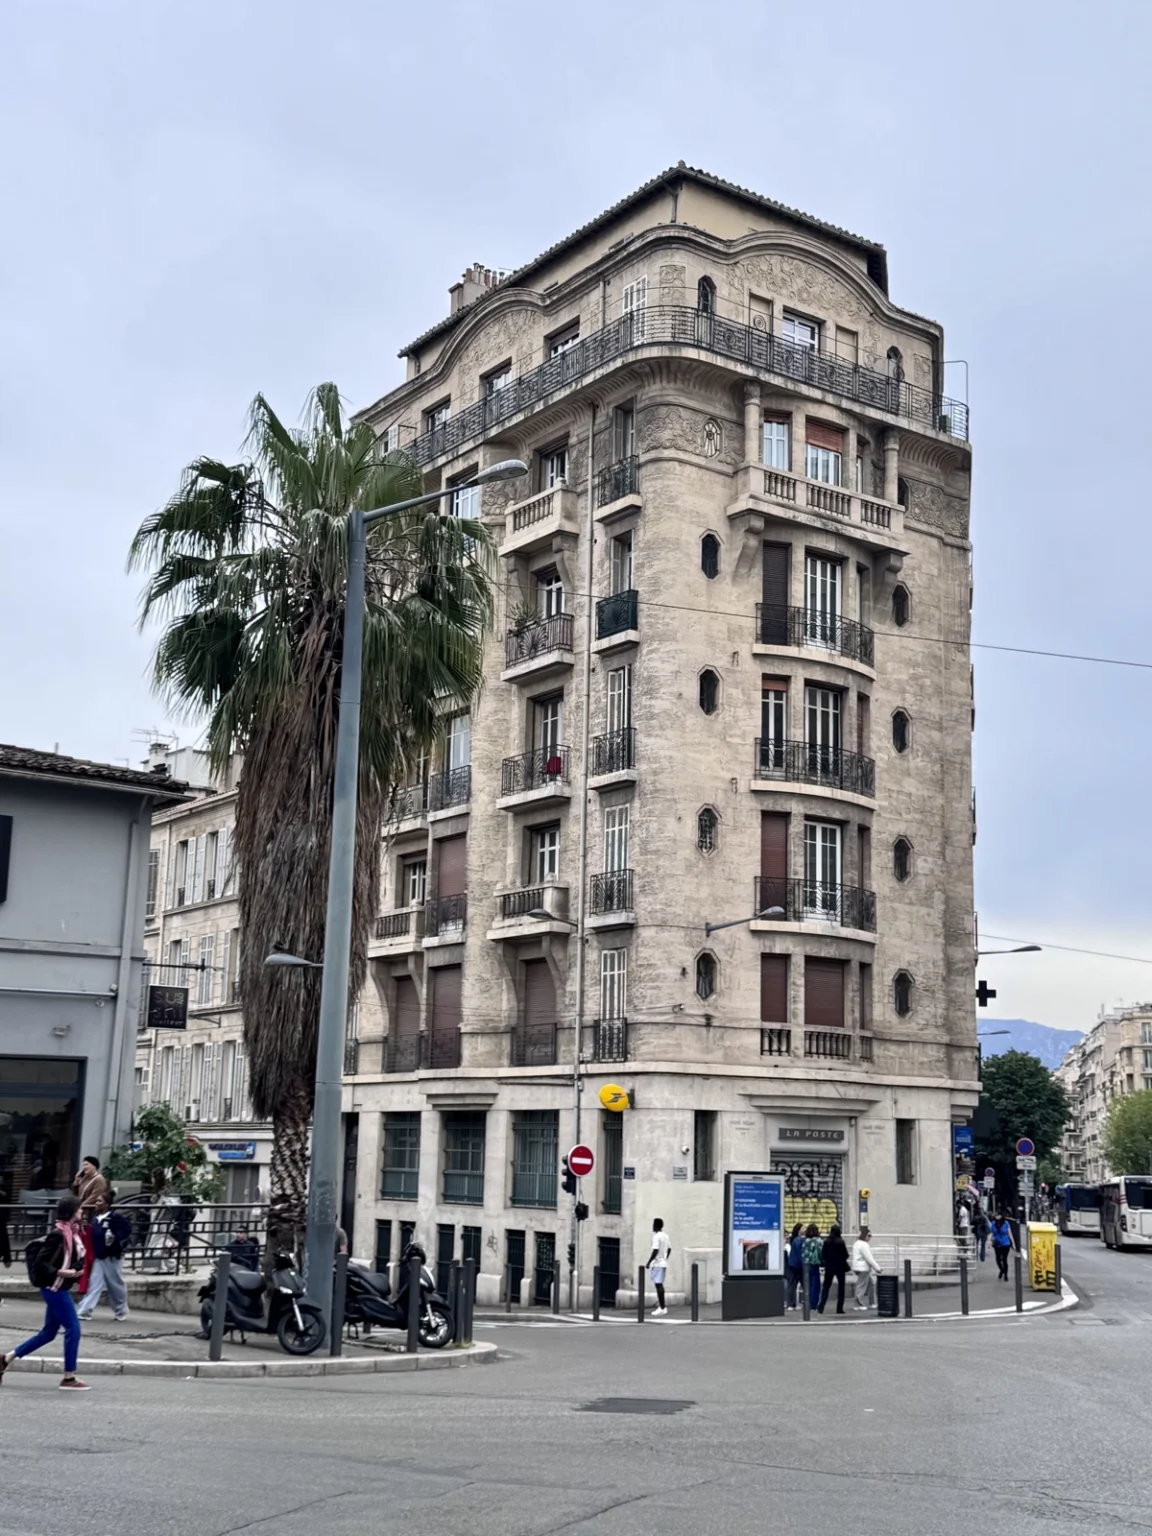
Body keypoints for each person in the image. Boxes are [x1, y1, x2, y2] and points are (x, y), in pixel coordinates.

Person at [0, 1194, 89, 1389]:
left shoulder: (73, 1232)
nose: (82, 1211)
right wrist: (61, 1272)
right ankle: (69, 1377)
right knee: (73, 1329)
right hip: (54, 1288)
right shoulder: (58, 1234)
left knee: (48, 1333)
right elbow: (41, 1263)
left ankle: (6, 1359)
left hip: (59, 1287)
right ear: (72, 1212)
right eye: (79, 1208)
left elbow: (78, 1258)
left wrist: (77, 1269)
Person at [78, 1192, 131, 1323]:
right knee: (94, 1284)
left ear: (107, 1204)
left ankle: (121, 1310)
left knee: (115, 1285)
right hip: (99, 1257)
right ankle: (85, 1310)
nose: (96, 1203)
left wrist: (115, 1238)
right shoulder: (96, 1219)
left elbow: (126, 1231)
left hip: (112, 1257)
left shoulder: (115, 1218)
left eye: (99, 1201)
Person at [817, 1224, 849, 1315]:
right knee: (841, 1287)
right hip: (840, 1266)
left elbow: (823, 1254)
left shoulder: (827, 1241)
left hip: (829, 1266)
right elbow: (846, 1254)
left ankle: (821, 1307)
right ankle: (839, 1308)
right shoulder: (841, 1241)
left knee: (826, 1287)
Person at [851, 1227, 881, 1310]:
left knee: (870, 1284)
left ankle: (872, 1302)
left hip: (858, 1267)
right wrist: (877, 1268)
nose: (870, 1237)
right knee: (862, 1286)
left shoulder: (857, 1243)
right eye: (869, 1235)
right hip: (863, 1268)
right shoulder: (864, 1245)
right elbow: (869, 1258)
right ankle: (859, 1303)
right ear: (865, 1235)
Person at [647, 1218, 671, 1316]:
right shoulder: (666, 1236)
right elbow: (669, 1249)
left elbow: (655, 1250)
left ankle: (662, 1307)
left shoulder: (656, 1237)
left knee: (658, 1285)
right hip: (663, 1262)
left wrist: (649, 1262)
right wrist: (665, 1258)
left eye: (653, 1224)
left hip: (657, 1263)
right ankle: (662, 1306)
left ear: (656, 1225)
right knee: (659, 1284)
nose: (652, 1226)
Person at [801, 1223, 823, 1312]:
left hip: (805, 1264)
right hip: (814, 1264)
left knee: (807, 1285)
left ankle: (807, 1303)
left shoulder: (805, 1241)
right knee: (815, 1285)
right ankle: (813, 1305)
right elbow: (821, 1252)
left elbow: (802, 1253)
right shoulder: (818, 1241)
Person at [784, 1222, 804, 1310]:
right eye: (803, 1228)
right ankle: (806, 1303)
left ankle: (791, 1304)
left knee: (792, 1285)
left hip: (792, 1265)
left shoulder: (793, 1240)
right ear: (799, 1230)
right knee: (804, 1284)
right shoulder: (799, 1240)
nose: (804, 1229)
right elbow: (800, 1253)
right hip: (798, 1265)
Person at [990, 1211, 1014, 1281]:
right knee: (998, 1259)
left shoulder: (1006, 1223)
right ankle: (1002, 1270)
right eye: (995, 1215)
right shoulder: (993, 1223)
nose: (996, 1216)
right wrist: (989, 1241)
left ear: (1001, 1216)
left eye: (998, 1215)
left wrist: (1013, 1242)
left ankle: (1005, 1274)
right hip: (997, 1243)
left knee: (1004, 1259)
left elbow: (1009, 1233)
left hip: (1005, 1243)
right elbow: (992, 1233)